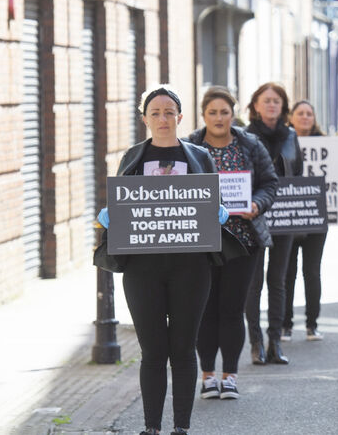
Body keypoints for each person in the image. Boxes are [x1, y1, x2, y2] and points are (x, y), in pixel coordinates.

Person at [97, 85, 225, 435]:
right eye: (155, 113)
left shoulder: (199, 156)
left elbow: (212, 197)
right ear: (145, 119)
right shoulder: (132, 157)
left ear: (180, 117)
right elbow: (121, 200)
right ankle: (151, 428)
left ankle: (181, 427)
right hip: (143, 269)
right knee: (153, 351)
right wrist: (111, 215)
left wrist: (218, 212)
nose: (163, 118)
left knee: (183, 349)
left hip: (191, 267)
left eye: (169, 112)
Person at [189, 86, 279, 400]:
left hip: (243, 241)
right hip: (202, 243)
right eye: (212, 112)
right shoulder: (189, 147)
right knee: (205, 310)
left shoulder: (250, 144)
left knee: (232, 309)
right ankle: (207, 376)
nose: (218, 118)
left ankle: (229, 376)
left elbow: (270, 183)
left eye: (224, 112)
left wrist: (256, 204)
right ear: (203, 115)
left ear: (233, 114)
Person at [244, 82, 303, 365]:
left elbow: (298, 172)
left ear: (283, 107)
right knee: (253, 282)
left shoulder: (291, 136)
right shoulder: (245, 137)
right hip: (254, 215)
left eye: (276, 101)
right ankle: (255, 342)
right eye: (266, 100)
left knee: (278, 280)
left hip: (285, 214)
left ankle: (275, 341)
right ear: (256, 106)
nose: (271, 105)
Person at [282, 100, 328, 341]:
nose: (305, 117)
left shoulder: (326, 144)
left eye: (309, 113)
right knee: (286, 272)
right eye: (300, 113)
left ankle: (312, 324)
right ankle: (285, 324)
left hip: (316, 216)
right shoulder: (283, 142)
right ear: (291, 117)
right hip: (289, 215)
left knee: (312, 272)